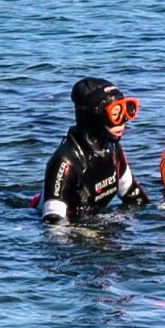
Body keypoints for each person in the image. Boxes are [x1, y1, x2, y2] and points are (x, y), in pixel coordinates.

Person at [39, 77, 150, 225]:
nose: (124, 120)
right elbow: (53, 223)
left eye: (127, 110)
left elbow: (133, 195)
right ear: (91, 117)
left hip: (96, 221)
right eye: (115, 113)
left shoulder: (113, 150)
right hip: (70, 226)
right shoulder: (65, 161)